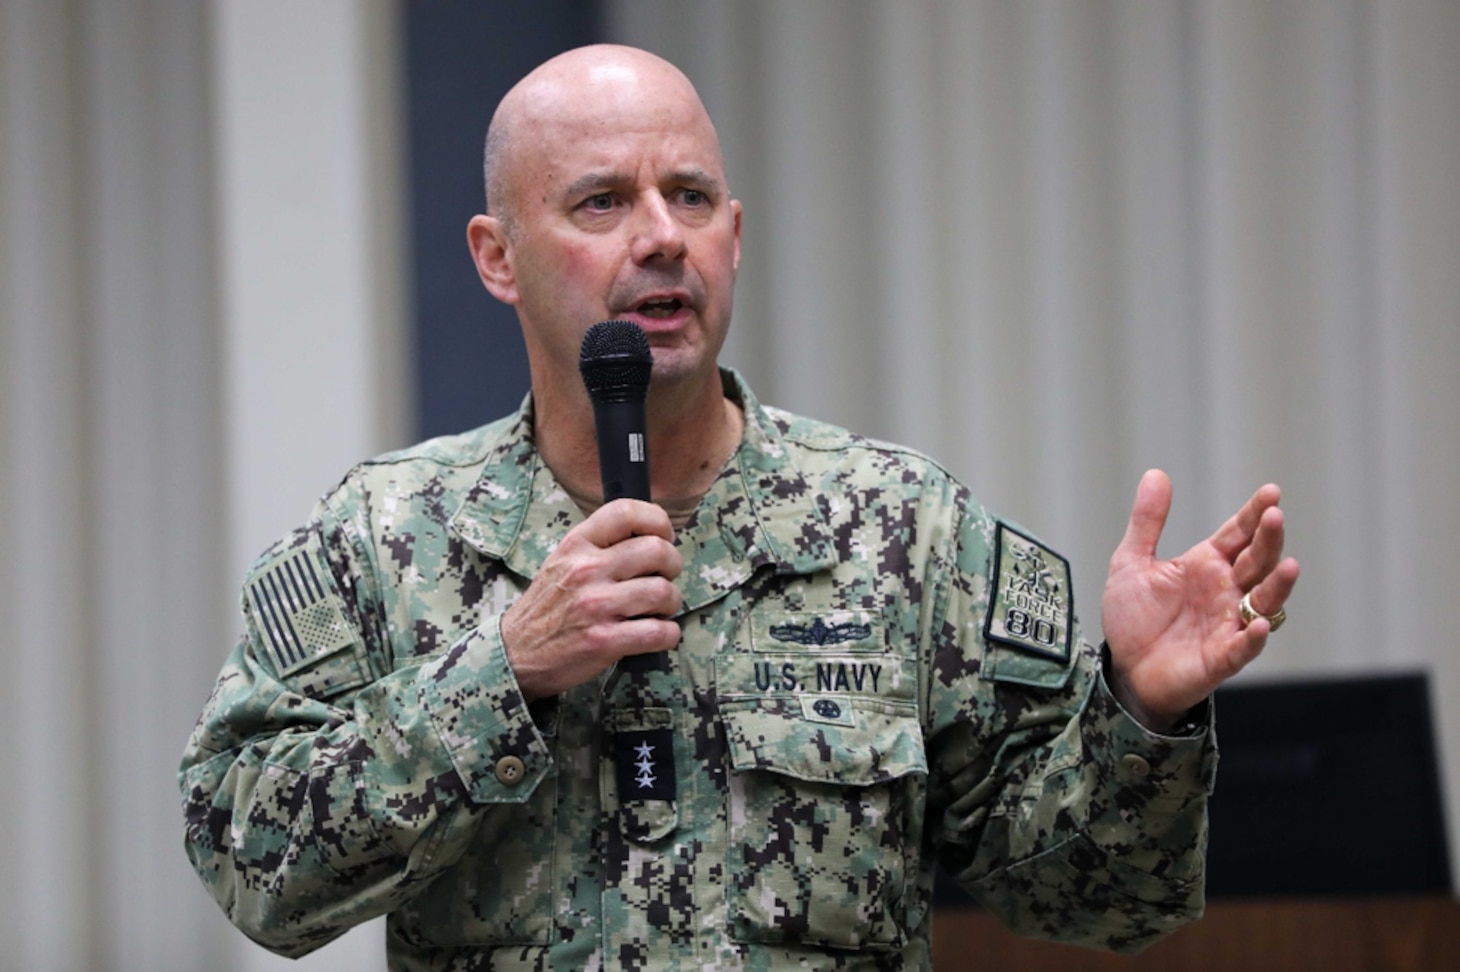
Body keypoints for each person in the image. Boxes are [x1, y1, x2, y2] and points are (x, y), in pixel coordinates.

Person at [179, 44, 1299, 971]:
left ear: (734, 236)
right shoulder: (385, 539)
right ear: (496, 257)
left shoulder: (898, 527)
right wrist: (501, 672)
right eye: (602, 201)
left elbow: (1092, 901)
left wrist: (1138, 715)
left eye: (691, 197)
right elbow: (253, 867)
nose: (661, 234)